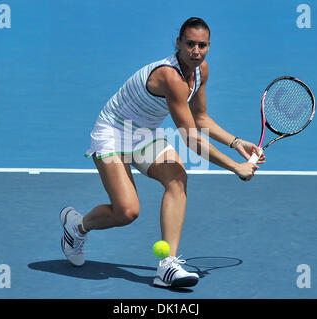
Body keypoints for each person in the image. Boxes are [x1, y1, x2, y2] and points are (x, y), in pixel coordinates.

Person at [59, 17, 265, 288]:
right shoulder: (170, 76)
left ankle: (167, 265)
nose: (196, 51)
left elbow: (200, 117)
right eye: (190, 44)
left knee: (177, 178)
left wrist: (236, 142)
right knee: (127, 212)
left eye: (202, 45)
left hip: (144, 133)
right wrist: (235, 166)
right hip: (113, 133)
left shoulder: (201, 69)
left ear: (209, 46)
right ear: (178, 43)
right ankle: (76, 226)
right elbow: (191, 139)